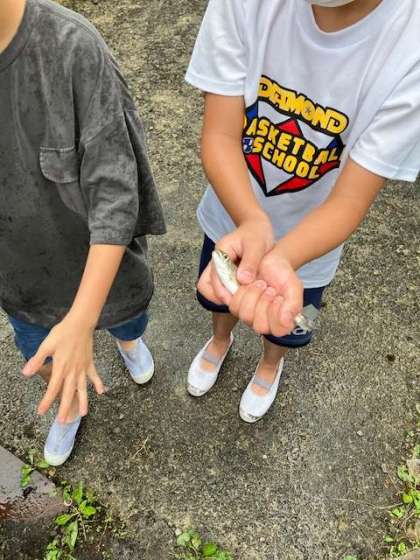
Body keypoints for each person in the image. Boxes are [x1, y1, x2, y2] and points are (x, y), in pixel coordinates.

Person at [185, 0, 420, 422]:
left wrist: (284, 256)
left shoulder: (410, 48)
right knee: (219, 299)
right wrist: (251, 220)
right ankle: (220, 341)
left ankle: (271, 364)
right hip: (230, 223)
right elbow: (219, 134)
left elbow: (350, 200)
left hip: (312, 249)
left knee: (292, 323)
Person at [0, 0, 165, 465]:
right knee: (42, 355)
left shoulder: (72, 47)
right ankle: (69, 405)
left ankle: (129, 343)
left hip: (103, 267)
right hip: (22, 282)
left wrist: (82, 318)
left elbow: (116, 191)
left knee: (127, 320)